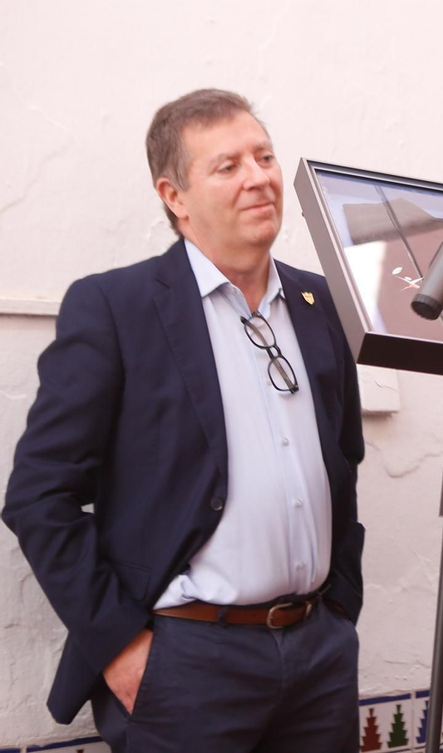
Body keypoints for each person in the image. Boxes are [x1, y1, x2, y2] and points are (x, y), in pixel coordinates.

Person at [3, 89, 365, 752]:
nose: (259, 177)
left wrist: (341, 605)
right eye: (227, 166)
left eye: (265, 156)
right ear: (175, 196)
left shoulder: (320, 304)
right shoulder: (117, 308)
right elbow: (38, 496)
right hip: (187, 665)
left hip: (319, 657)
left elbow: (344, 461)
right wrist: (122, 646)